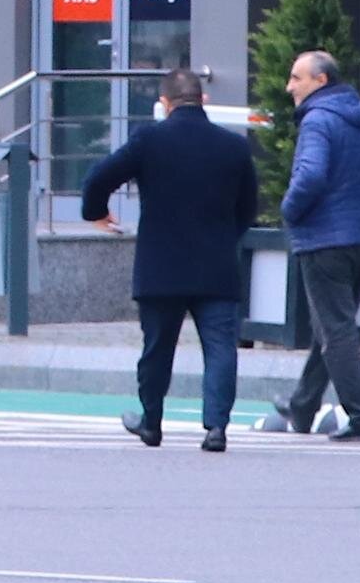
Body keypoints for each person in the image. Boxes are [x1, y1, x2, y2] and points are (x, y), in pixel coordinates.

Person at [77, 67, 257, 451]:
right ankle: (216, 428)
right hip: (217, 267)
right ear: (203, 100)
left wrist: (96, 212)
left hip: (161, 267)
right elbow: (248, 208)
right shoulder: (234, 146)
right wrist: (226, 237)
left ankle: (152, 422)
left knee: (157, 348)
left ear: (165, 103)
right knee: (220, 348)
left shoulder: (149, 141)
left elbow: (98, 178)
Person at [272, 50, 360, 441]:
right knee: (331, 328)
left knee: (336, 331)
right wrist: (357, 198)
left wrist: (289, 211)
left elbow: (310, 176)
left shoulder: (317, 120)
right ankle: (302, 406)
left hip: (324, 240)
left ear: (320, 81)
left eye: (296, 78)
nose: (289, 86)